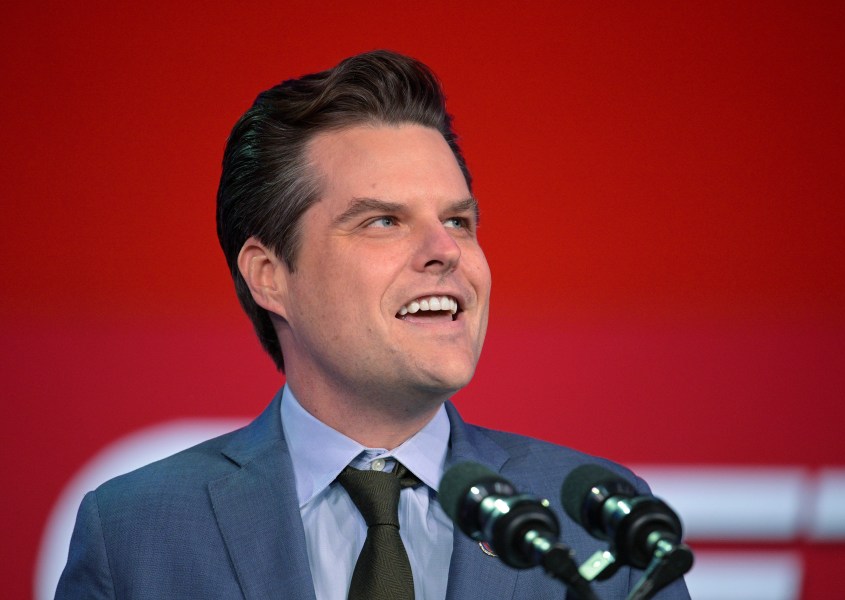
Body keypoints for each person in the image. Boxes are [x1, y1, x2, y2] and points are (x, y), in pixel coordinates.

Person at [56, 50, 691, 600]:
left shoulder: (602, 523)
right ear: (269, 276)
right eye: (383, 221)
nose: (445, 251)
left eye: (458, 221)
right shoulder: (136, 532)